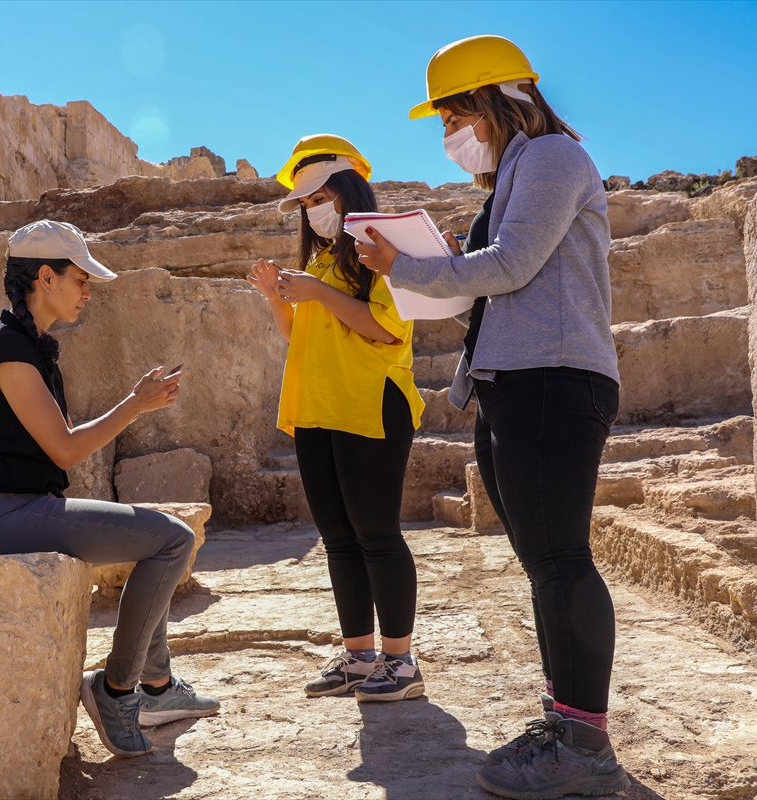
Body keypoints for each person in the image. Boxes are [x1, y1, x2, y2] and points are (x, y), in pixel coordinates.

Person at [356, 35, 630, 799]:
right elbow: (498, 275)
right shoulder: (515, 171)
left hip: (552, 381)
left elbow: (511, 267)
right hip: (519, 382)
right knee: (547, 563)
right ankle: (567, 722)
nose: (448, 133)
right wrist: (442, 261)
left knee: (562, 560)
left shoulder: (549, 159)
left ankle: (583, 745)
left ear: (492, 103)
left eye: (451, 115)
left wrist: (402, 265)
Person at [0, 219, 219, 759]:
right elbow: (65, 449)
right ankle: (117, 690)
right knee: (171, 540)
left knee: (156, 539)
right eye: (81, 279)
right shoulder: (3, 345)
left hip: (26, 510)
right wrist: (135, 403)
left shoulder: (32, 345)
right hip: (0, 518)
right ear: (45, 278)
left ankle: (159, 688)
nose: (87, 291)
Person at [248, 134, 427, 704]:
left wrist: (319, 293)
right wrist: (276, 296)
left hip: (371, 402)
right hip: (318, 406)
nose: (312, 209)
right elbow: (296, 334)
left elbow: (386, 329)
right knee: (339, 539)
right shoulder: (323, 260)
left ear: (348, 190)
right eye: (305, 203)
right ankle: (358, 657)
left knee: (376, 533)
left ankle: (401, 663)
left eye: (319, 196)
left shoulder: (384, 248)